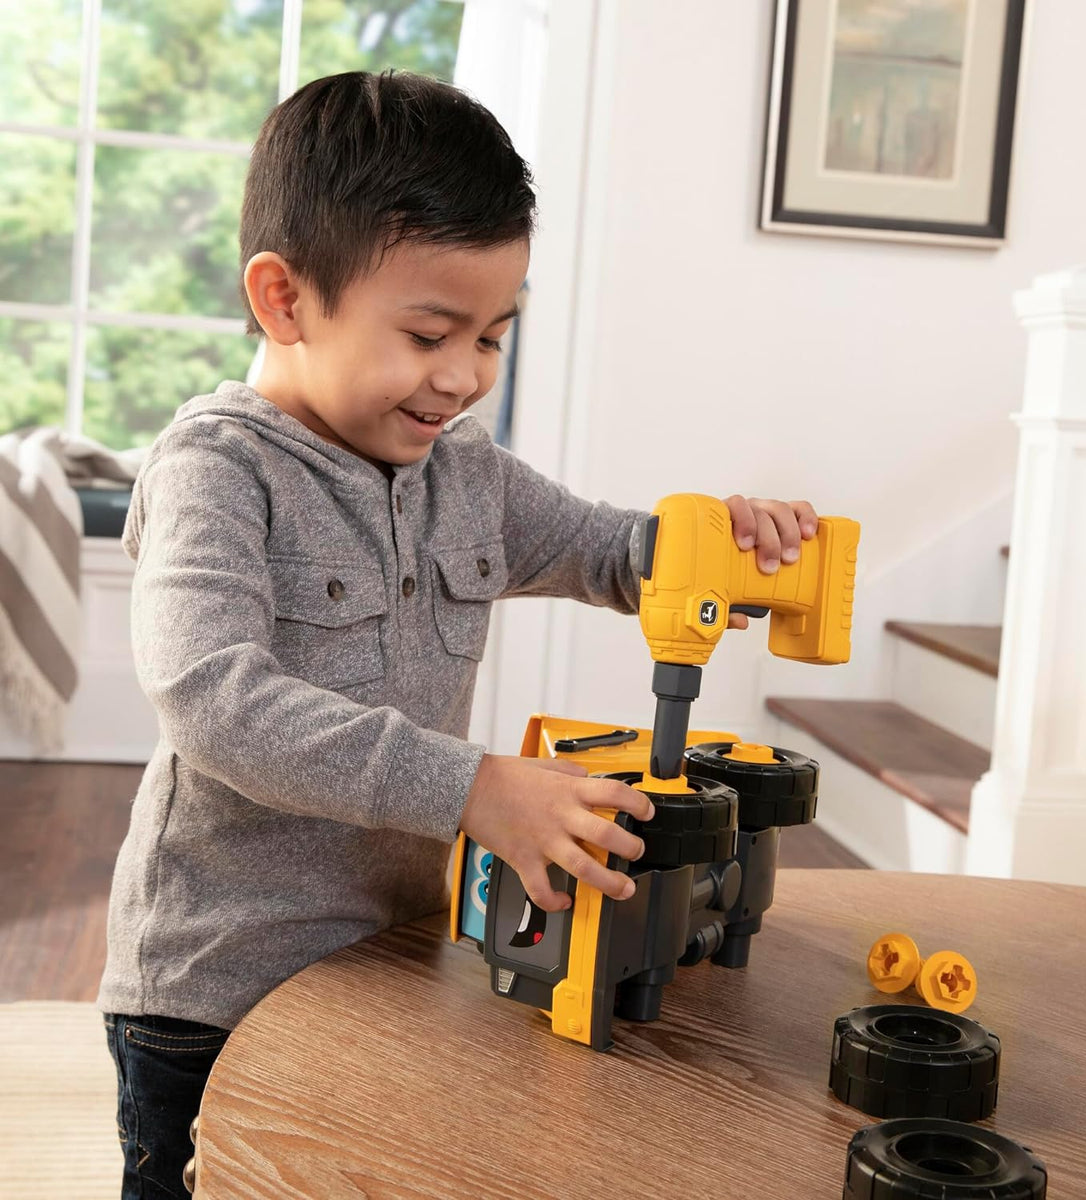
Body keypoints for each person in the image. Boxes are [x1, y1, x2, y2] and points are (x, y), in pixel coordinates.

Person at [97, 69, 819, 1199]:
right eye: (430, 331)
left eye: (492, 334)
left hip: (391, 957)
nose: (464, 376)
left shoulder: (465, 475)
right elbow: (211, 699)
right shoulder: (218, 474)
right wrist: (471, 787)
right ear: (284, 300)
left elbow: (610, 549)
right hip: (213, 988)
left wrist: (716, 537)